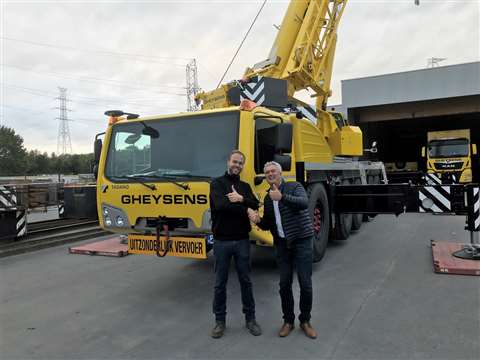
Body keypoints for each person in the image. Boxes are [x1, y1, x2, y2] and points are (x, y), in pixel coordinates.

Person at [248, 161, 317, 339]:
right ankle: (288, 321)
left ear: (280, 173)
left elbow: (303, 203)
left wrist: (282, 197)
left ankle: (305, 321)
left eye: (273, 171)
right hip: (282, 245)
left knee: (305, 284)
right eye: (267, 172)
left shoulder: (294, 186)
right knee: (284, 285)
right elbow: (268, 224)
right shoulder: (267, 197)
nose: (270, 174)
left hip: (302, 241)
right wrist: (257, 220)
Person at [209, 149, 262, 339]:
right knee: (219, 284)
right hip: (222, 241)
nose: (237, 165)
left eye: (240, 163)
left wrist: (241, 199)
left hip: (242, 241)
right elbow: (221, 206)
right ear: (228, 162)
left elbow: (256, 204)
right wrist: (245, 208)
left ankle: (251, 319)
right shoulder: (216, 184)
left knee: (246, 281)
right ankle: (219, 321)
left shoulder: (245, 186)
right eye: (235, 161)